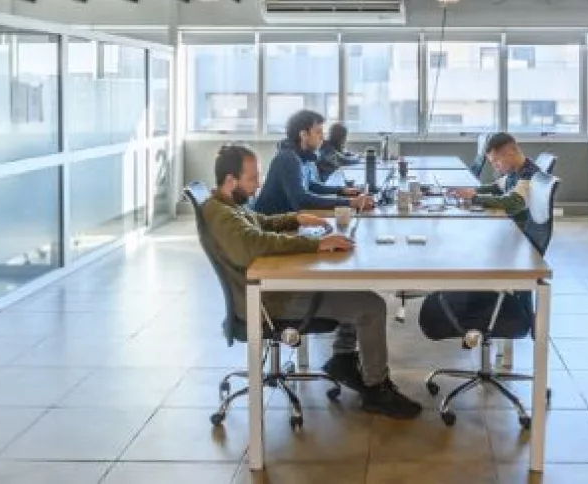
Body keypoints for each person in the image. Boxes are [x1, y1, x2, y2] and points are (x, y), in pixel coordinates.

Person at [200, 144, 422, 418]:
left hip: (269, 289)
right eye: (252, 179)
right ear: (230, 180)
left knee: (351, 286)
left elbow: (260, 222)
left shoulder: (227, 205)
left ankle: (343, 360)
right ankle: (377, 390)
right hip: (267, 301)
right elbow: (253, 243)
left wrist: (295, 218)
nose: (258, 185)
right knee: (372, 306)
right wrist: (316, 244)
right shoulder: (221, 214)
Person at [251, 109, 371, 215]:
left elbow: (311, 185)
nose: (322, 137)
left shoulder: (303, 156)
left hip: (285, 222)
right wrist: (351, 202)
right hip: (269, 226)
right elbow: (301, 200)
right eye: (318, 132)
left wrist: (341, 190)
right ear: (304, 135)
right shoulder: (288, 158)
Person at [454, 132, 541, 216]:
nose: (495, 166)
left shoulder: (529, 174)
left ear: (510, 153)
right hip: (508, 218)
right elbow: (496, 187)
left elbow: (513, 202)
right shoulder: (514, 170)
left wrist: (474, 197)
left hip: (516, 224)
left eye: (496, 161)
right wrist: (471, 191)